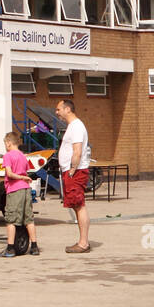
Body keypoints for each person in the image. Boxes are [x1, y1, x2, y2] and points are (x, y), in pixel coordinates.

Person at [55, 99, 91, 253]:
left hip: (75, 172)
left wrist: (72, 169)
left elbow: (77, 150)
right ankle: (82, 241)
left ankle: (83, 243)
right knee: (76, 206)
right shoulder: (72, 126)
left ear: (67, 109)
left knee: (79, 205)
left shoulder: (76, 126)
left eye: (59, 109)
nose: (56, 112)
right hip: (72, 171)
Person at [0, 131, 40, 257]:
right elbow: (25, 171)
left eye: (5, 144)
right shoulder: (22, 156)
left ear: (9, 143)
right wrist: (24, 178)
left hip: (15, 189)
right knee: (28, 218)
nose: (5, 146)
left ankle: (10, 248)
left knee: (11, 219)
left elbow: (10, 173)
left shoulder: (8, 156)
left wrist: (21, 177)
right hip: (26, 189)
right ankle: (34, 246)